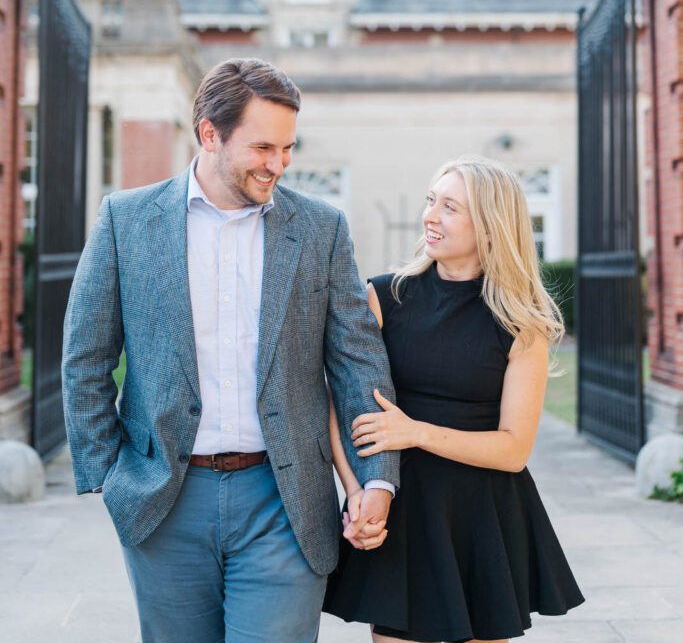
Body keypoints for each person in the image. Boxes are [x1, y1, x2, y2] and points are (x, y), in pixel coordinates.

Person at [62, 57, 399, 643]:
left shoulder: (321, 229)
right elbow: (85, 355)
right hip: (163, 497)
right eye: (264, 147)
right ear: (209, 134)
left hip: (284, 499)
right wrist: (110, 474)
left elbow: (357, 364)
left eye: (288, 148)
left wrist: (376, 478)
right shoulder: (126, 220)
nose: (280, 164)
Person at [324, 155, 584, 643]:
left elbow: (513, 450)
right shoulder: (384, 296)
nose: (430, 216)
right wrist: (357, 494)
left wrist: (416, 431)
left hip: (483, 516)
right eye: (430, 201)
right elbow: (340, 406)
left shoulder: (522, 323)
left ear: (488, 226)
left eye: (449, 207)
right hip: (403, 509)